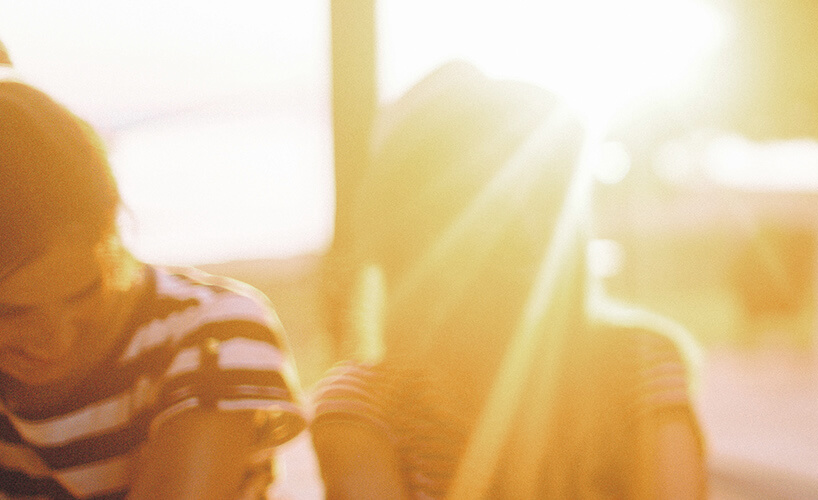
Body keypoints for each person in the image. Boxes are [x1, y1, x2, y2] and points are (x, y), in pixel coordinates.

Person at [309, 62, 706, 499]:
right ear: (417, 234)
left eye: (543, 185)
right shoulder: (365, 408)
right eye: (480, 188)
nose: (523, 214)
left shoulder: (641, 364)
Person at [0, 49, 307, 498]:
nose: (56, 339)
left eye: (85, 293)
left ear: (112, 239)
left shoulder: (211, 335)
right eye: (12, 312)